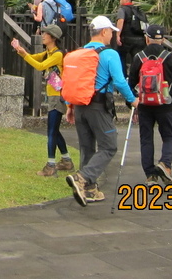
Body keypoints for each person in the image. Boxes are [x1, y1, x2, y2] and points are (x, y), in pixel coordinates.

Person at [63, 15, 138, 205]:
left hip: (80, 106)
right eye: (111, 31)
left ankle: (89, 189)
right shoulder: (109, 54)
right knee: (109, 145)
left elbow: (75, 82)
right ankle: (83, 178)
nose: (112, 35)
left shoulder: (80, 52)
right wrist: (132, 100)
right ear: (104, 31)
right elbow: (120, 81)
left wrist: (70, 107)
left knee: (87, 147)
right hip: (98, 106)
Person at [128, 24, 172, 185]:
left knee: (146, 139)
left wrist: (132, 102)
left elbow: (130, 84)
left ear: (146, 39)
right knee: (169, 137)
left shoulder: (139, 57)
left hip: (144, 105)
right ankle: (165, 164)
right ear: (163, 39)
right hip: (164, 105)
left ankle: (150, 176)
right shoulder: (171, 58)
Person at [13, 24, 75, 176]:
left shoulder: (57, 55)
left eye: (45, 34)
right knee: (54, 130)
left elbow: (40, 66)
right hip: (53, 95)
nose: (42, 35)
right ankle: (66, 161)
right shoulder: (49, 52)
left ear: (53, 37)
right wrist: (21, 51)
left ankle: (51, 166)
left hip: (57, 96)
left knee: (51, 131)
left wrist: (24, 54)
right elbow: (35, 58)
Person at [115, 0, 147, 73]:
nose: (120, 0)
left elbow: (121, 20)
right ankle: (135, 78)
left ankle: (123, 77)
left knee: (121, 58)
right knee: (137, 60)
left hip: (126, 39)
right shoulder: (138, 10)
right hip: (140, 39)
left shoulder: (122, 9)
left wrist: (118, 35)